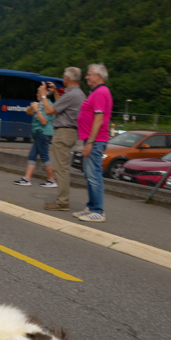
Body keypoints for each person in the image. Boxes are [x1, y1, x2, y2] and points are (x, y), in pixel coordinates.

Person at [38, 69, 84, 212]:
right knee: (62, 166)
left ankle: (62, 202)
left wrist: (44, 95)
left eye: (64, 75)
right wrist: (56, 93)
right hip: (70, 131)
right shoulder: (77, 94)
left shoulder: (72, 94)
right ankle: (62, 200)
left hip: (64, 132)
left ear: (67, 78)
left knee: (61, 168)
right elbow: (61, 107)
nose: (62, 77)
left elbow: (50, 110)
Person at [76, 63, 113, 222]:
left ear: (98, 76)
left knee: (94, 175)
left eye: (89, 74)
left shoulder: (100, 93)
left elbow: (98, 119)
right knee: (89, 174)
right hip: (91, 140)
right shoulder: (97, 92)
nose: (86, 77)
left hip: (95, 140)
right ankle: (91, 207)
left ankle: (98, 210)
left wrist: (90, 142)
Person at [15, 95, 56, 187]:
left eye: (38, 92)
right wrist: (32, 110)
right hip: (39, 133)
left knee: (44, 156)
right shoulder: (42, 104)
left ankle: (52, 180)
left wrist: (36, 109)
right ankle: (27, 179)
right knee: (32, 155)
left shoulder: (47, 104)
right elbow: (36, 116)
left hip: (42, 132)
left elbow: (44, 121)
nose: (37, 94)